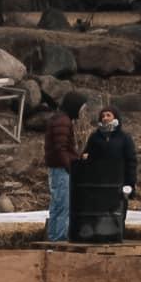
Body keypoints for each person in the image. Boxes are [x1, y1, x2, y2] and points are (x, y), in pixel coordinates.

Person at [81, 105, 137, 217]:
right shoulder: (95, 137)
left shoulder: (124, 138)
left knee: (117, 216)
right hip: (99, 184)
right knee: (98, 216)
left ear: (115, 117)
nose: (105, 118)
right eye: (102, 116)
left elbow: (131, 161)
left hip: (118, 183)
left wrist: (130, 183)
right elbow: (86, 156)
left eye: (108, 115)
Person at [45, 95, 83, 242]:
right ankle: (59, 237)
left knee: (57, 204)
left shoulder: (58, 119)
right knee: (63, 205)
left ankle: (53, 236)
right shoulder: (63, 121)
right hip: (62, 169)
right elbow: (61, 147)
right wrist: (69, 165)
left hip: (57, 168)